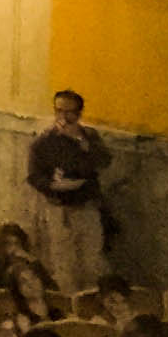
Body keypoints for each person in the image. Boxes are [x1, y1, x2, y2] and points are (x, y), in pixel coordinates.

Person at [26, 89, 112, 294]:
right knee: (64, 263)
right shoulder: (44, 141)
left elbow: (103, 162)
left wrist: (83, 146)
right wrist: (51, 185)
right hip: (59, 208)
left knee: (92, 261)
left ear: (79, 113)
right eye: (58, 111)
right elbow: (34, 175)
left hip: (86, 206)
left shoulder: (89, 137)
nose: (63, 117)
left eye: (69, 112)